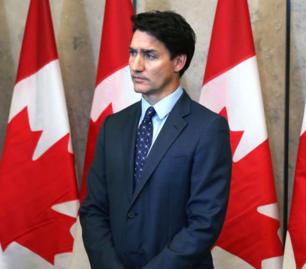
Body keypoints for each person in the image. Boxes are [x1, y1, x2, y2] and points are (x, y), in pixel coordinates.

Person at [79, 10, 232, 269]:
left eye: (149, 55)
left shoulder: (208, 129)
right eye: (132, 53)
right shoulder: (113, 126)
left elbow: (203, 224)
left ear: (178, 61)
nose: (136, 66)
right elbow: (93, 210)